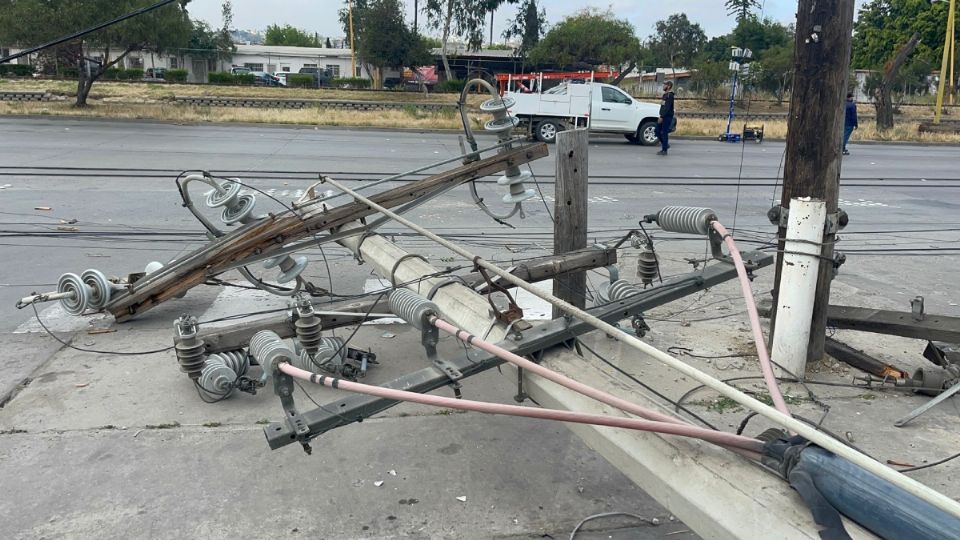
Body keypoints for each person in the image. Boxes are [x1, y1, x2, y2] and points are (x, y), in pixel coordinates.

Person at [656, 81, 675, 156]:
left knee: (664, 133)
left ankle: (664, 150)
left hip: (667, 117)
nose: (663, 86)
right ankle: (665, 144)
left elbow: (667, 108)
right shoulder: (665, 95)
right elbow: (663, 107)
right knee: (657, 130)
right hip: (663, 115)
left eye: (665, 85)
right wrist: (660, 115)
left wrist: (662, 117)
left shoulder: (669, 96)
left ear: (669, 86)